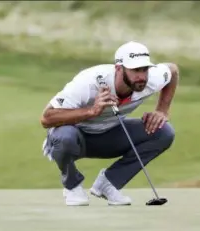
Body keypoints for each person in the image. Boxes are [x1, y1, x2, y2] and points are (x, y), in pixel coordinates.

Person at [40, 41, 179, 206]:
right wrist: (91, 111)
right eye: (135, 70)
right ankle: (72, 185)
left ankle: (108, 184)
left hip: (110, 135)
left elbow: (172, 70)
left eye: (144, 69)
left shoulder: (151, 79)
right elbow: (47, 118)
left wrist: (162, 110)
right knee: (64, 137)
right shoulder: (89, 82)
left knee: (163, 132)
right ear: (119, 68)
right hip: (76, 137)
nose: (142, 76)